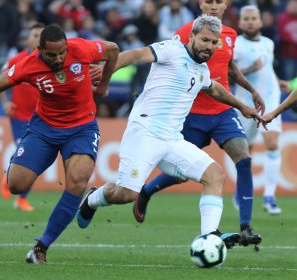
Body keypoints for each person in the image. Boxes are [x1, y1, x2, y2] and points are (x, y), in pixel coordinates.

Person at [76, 15, 263, 250]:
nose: (209, 47)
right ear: (192, 36)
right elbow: (136, 55)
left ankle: (210, 236)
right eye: (205, 40)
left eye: (214, 43)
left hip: (172, 139)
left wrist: (243, 106)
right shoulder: (171, 49)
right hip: (144, 132)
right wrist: (108, 68)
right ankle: (92, 200)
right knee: (125, 195)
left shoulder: (202, 69)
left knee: (214, 176)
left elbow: (214, 89)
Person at [0, 24, 119, 264]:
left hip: (82, 128)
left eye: (62, 53)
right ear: (39, 50)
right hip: (44, 129)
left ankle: (41, 246)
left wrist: (104, 84)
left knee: (76, 182)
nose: (58, 58)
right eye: (51, 54)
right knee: (16, 184)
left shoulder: (81, 49)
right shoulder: (27, 66)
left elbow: (113, 49)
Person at [135, 0, 265, 247]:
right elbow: (165, 65)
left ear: (226, 5)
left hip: (223, 111)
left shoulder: (230, 34)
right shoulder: (185, 32)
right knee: (182, 173)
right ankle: (147, 190)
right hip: (191, 112)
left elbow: (228, 66)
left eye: (218, 2)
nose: (213, 6)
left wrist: (252, 90)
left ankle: (245, 227)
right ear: (200, 3)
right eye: (208, 1)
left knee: (244, 159)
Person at [233, 5, 286, 215]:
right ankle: (242, 190)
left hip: (270, 99)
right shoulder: (235, 44)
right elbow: (230, 75)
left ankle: (269, 197)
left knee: (272, 143)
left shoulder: (268, 43)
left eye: (253, 18)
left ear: (260, 22)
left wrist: (277, 80)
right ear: (240, 23)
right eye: (245, 18)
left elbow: (268, 68)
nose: (250, 21)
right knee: (244, 153)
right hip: (246, 103)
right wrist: (249, 70)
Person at [0, 22, 45, 211]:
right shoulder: (16, 59)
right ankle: (10, 175)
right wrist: (4, 102)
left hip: (41, 116)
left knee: (36, 158)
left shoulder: (50, 61)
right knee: (24, 150)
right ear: (27, 38)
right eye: (34, 35)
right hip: (19, 115)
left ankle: (21, 199)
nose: (37, 39)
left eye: (41, 36)